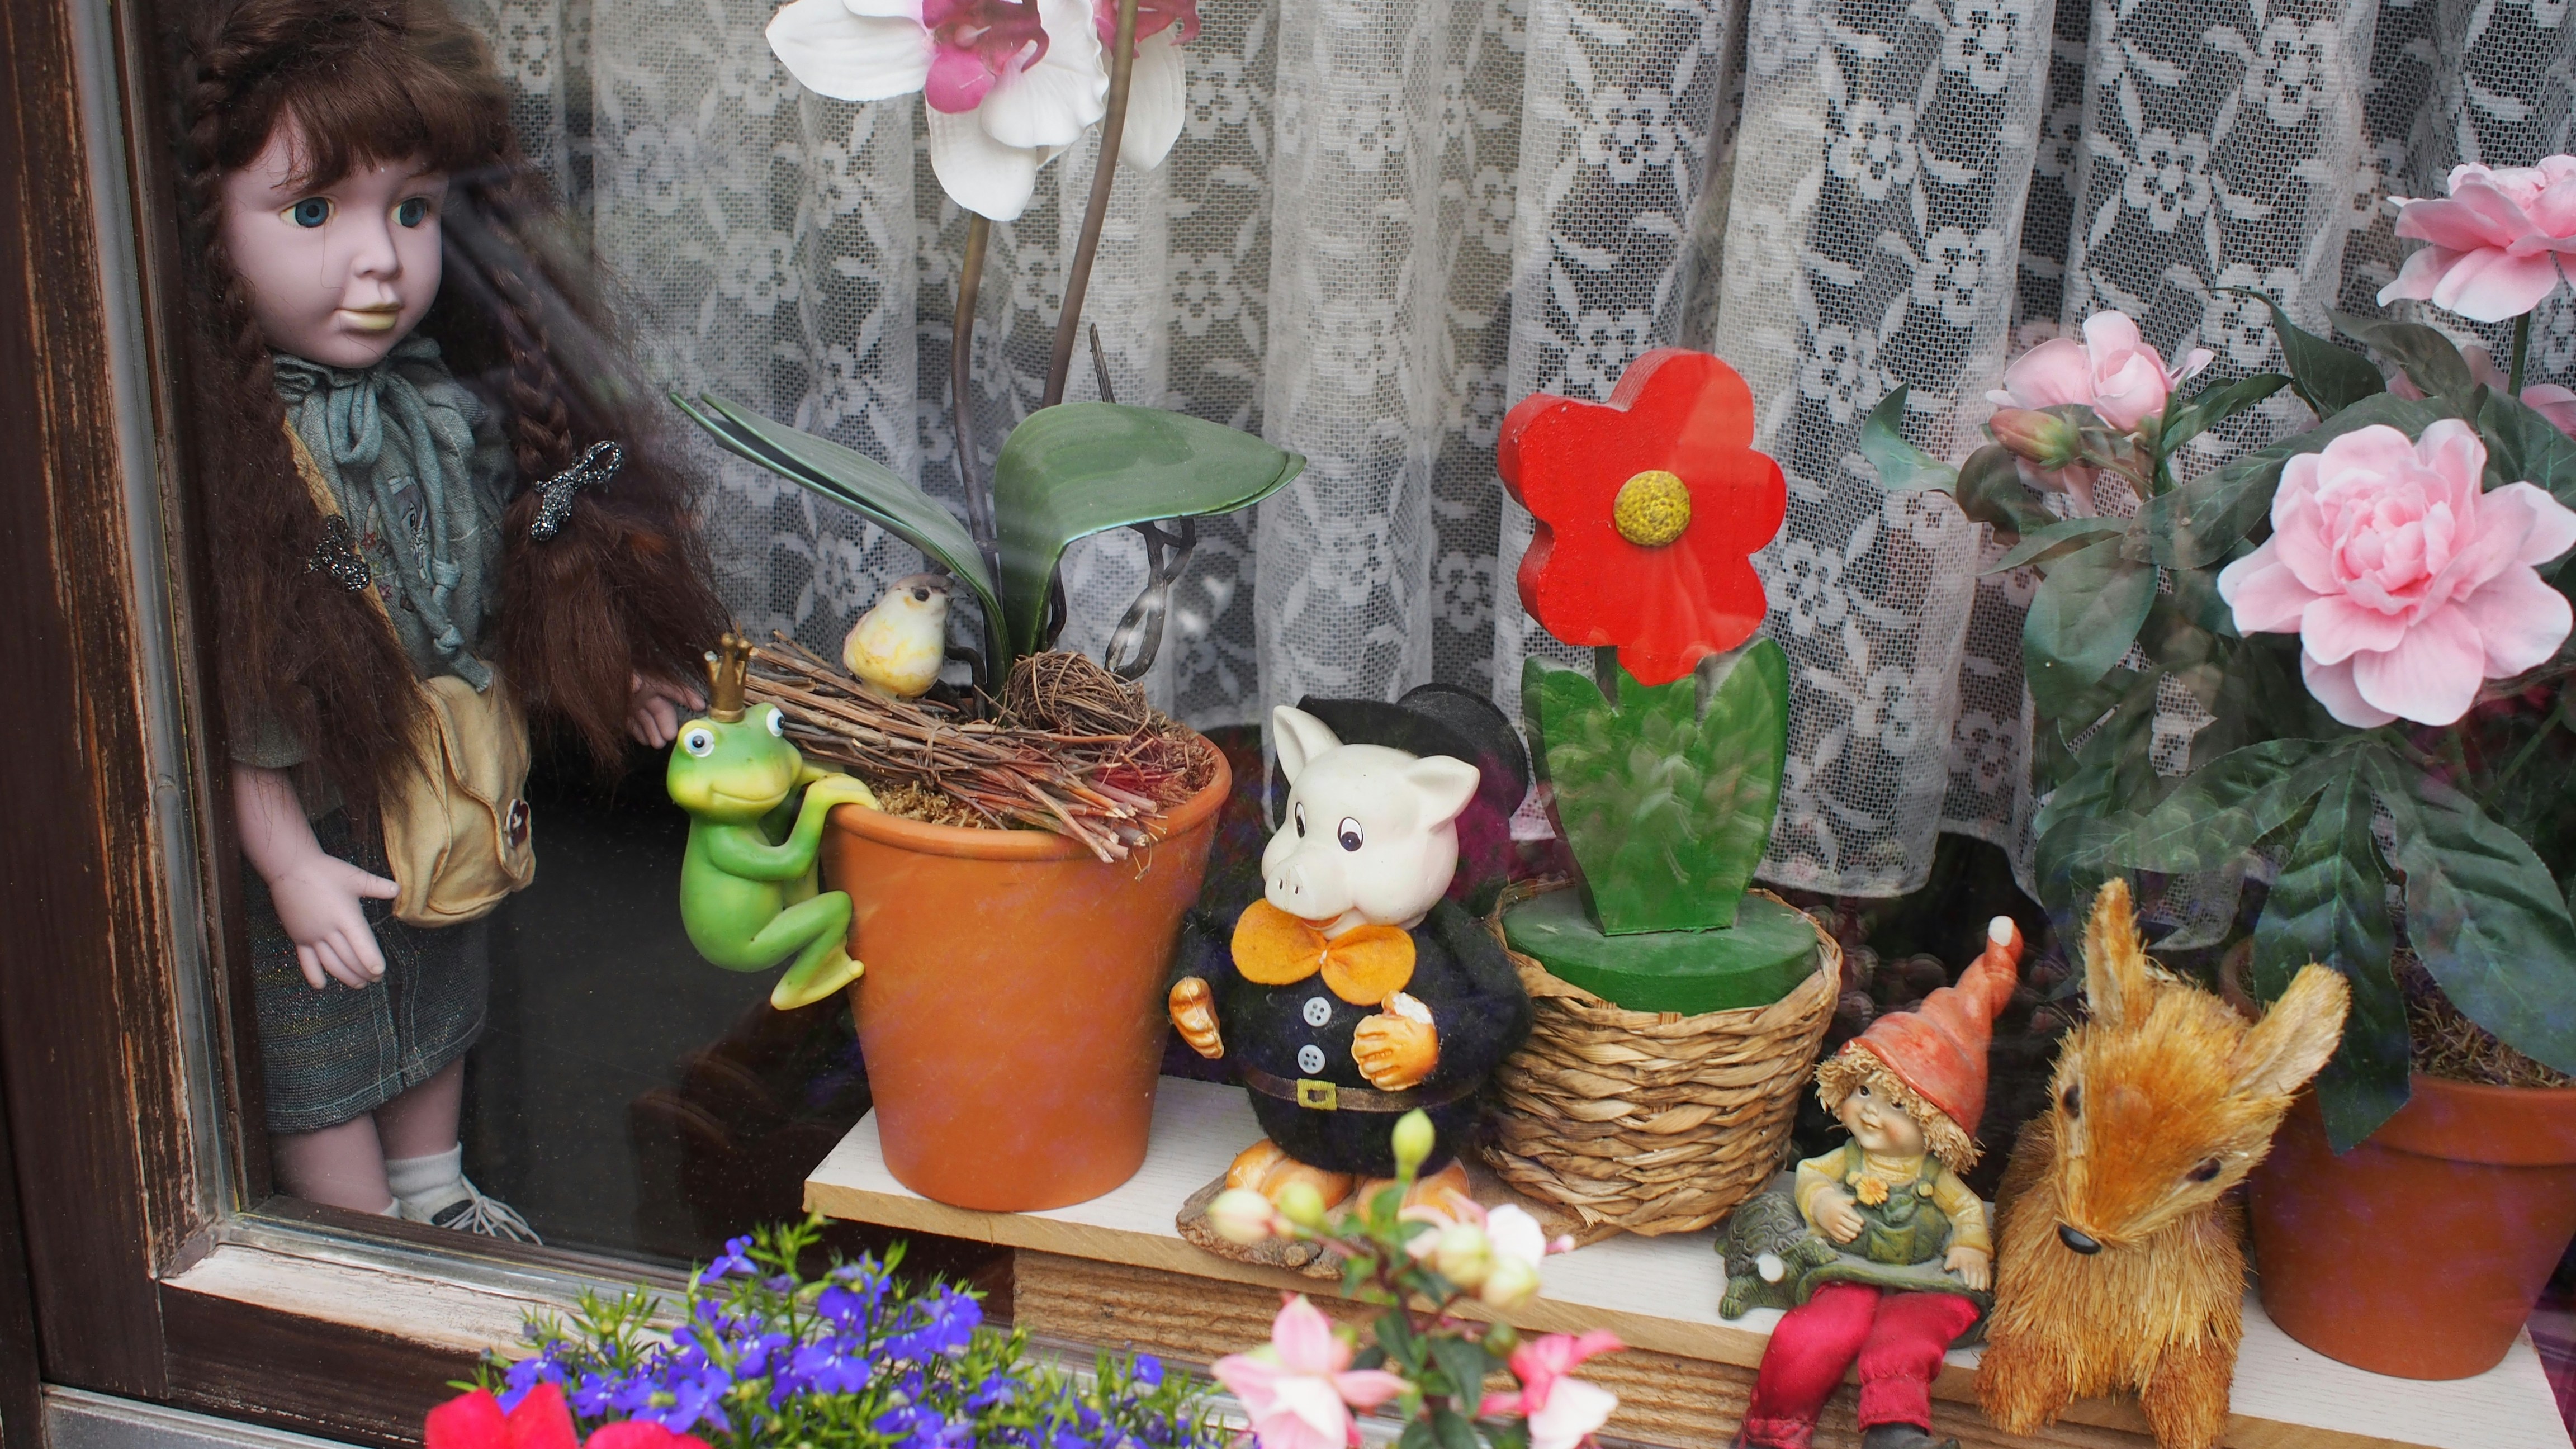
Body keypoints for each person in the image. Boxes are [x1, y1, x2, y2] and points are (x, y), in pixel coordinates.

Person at [181, 0, 726, 1237]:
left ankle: (435, 1188)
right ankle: (360, 1235)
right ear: (211, 230)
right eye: (314, 212)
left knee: (439, 986)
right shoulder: (246, 458)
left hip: (450, 775)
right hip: (323, 796)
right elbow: (242, 693)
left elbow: (509, 574)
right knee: (321, 1033)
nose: (381, 261)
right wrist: (283, 858)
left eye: (413, 212)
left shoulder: (443, 408)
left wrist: (610, 666)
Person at [1736, 918, 2023, 1449]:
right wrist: (1821, 1204)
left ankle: (1897, 1436)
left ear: (1938, 1127)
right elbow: (1810, 1179)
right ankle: (1773, 1433)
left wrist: (1969, 1244)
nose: (1869, 1113)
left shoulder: (1935, 1178)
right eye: (1864, 1091)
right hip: (1848, 1269)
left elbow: (1965, 1212)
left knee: (1904, 1341)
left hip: (1922, 1279)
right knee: (1819, 1333)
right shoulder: (1844, 1160)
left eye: (1896, 1106)